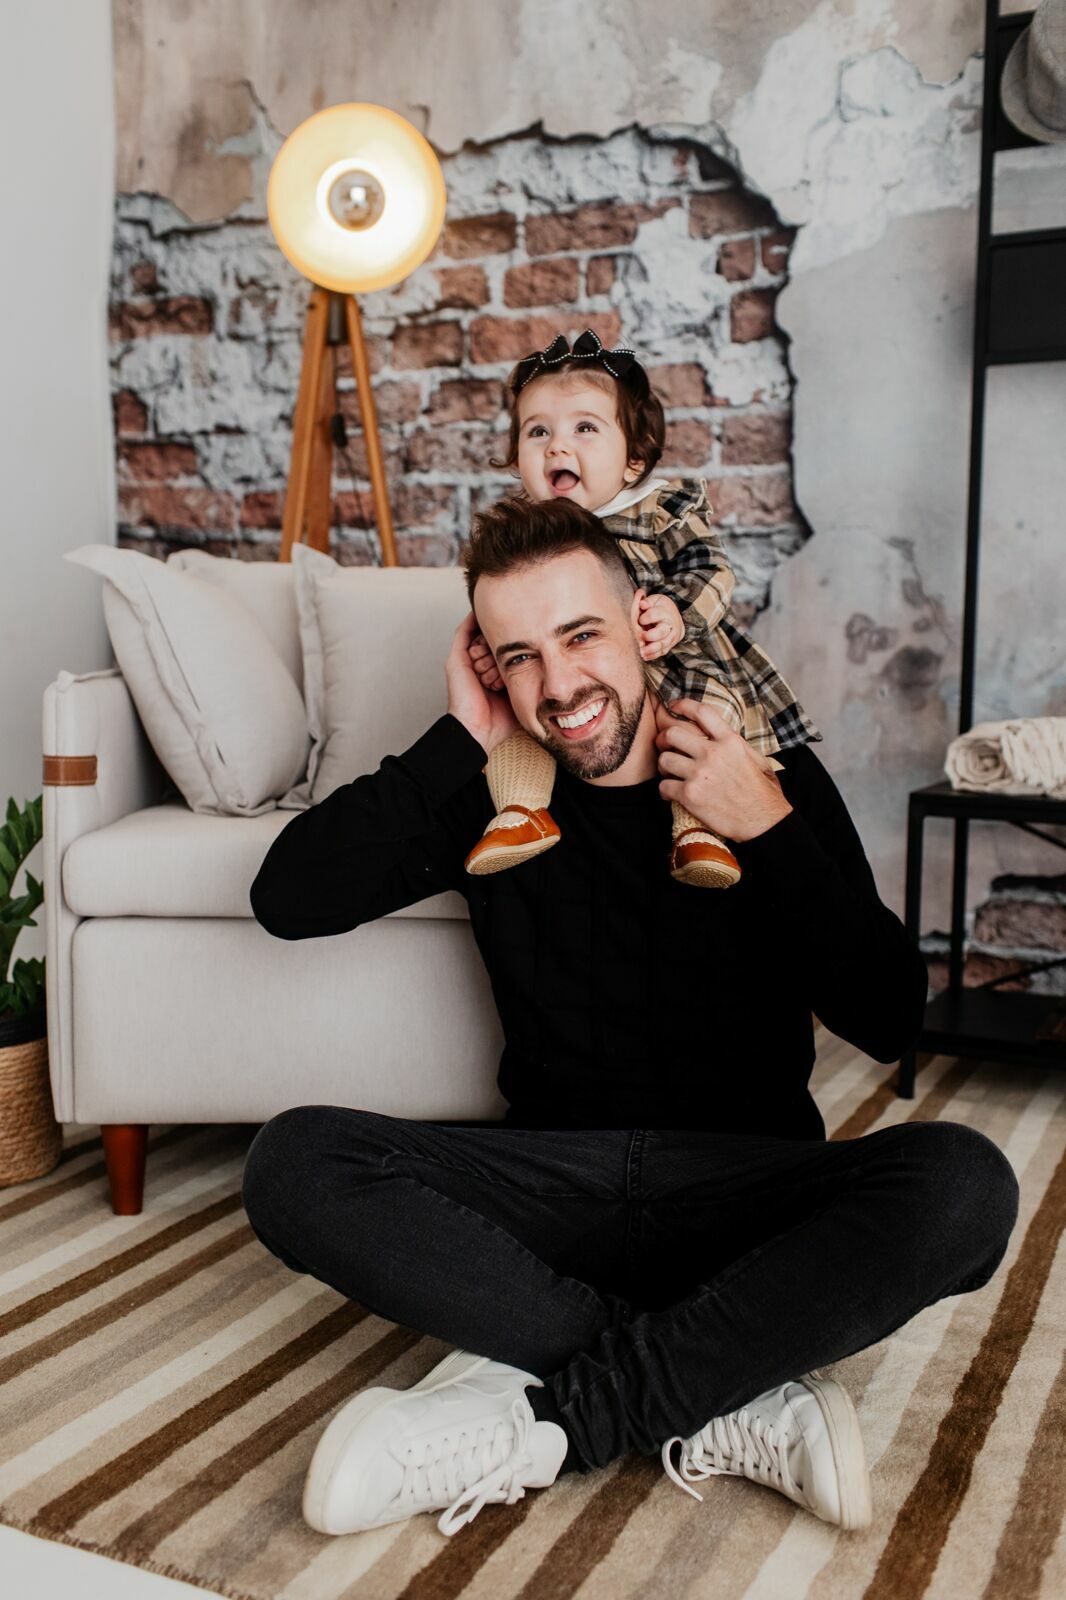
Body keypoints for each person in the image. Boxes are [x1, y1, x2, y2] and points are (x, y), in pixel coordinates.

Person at [243, 496, 1018, 1542]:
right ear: (488, 668)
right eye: (520, 656)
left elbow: (890, 1018)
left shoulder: (760, 773)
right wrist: (456, 740)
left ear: (644, 626)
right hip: (551, 1192)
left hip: (742, 1191)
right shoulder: (492, 787)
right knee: (293, 1164)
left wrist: (767, 827)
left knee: (967, 1186)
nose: (559, 686)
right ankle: (727, 1380)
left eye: (581, 636)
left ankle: (563, 1414)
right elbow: (286, 899)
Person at [463, 328, 819, 890]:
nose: (556, 447)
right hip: (589, 723)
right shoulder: (522, 549)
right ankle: (520, 811)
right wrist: (492, 655)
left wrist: (676, 610)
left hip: (677, 664)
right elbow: (510, 624)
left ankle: (697, 829)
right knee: (519, 726)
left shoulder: (657, 511)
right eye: (538, 431)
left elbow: (710, 570)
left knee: (701, 721)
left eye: (584, 427)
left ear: (633, 460)